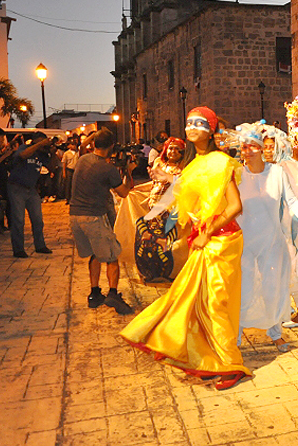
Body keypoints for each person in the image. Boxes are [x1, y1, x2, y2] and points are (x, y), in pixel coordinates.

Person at [121, 107, 251, 391]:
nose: (192, 127)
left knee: (216, 304)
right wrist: (162, 225)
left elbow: (235, 207)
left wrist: (209, 231)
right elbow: (177, 203)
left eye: (199, 123)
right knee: (192, 301)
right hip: (201, 241)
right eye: (189, 122)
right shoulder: (191, 167)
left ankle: (230, 364)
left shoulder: (221, 162)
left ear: (211, 129)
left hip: (223, 241)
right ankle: (205, 359)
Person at [235, 122, 298, 351]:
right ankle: (236, 336)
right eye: (243, 147)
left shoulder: (277, 173)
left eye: (251, 147)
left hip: (272, 241)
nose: (247, 151)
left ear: (261, 148)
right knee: (245, 289)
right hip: (245, 243)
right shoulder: (236, 175)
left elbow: (293, 202)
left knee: (273, 289)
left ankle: (275, 332)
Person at [70, 129, 135, 315]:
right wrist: (128, 172)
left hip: (75, 216)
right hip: (93, 217)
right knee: (112, 255)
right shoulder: (109, 169)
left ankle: (94, 293)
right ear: (112, 147)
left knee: (95, 254)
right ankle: (113, 294)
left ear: (94, 145)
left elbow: (82, 146)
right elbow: (123, 193)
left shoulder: (83, 159)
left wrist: (95, 135)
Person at [263, 125, 298, 328]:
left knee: (286, 267)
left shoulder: (285, 166)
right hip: (272, 224)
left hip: (287, 224)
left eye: (272, 146)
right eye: (265, 147)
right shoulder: (266, 167)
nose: (268, 150)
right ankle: (287, 309)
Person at [134, 137, 185, 283]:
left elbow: (183, 186)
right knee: (144, 234)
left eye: (176, 149)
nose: (173, 151)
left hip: (171, 210)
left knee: (168, 240)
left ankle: (170, 271)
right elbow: (154, 184)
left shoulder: (184, 168)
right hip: (154, 208)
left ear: (182, 152)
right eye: (170, 148)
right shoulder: (159, 164)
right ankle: (149, 271)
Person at [7, 132, 53, 257]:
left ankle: (40, 245)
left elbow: (51, 165)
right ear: (35, 141)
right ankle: (18, 249)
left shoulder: (42, 154)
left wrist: (50, 149)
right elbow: (22, 155)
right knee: (18, 220)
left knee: (38, 219)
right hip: (16, 187)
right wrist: (38, 145)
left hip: (31, 189)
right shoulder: (25, 148)